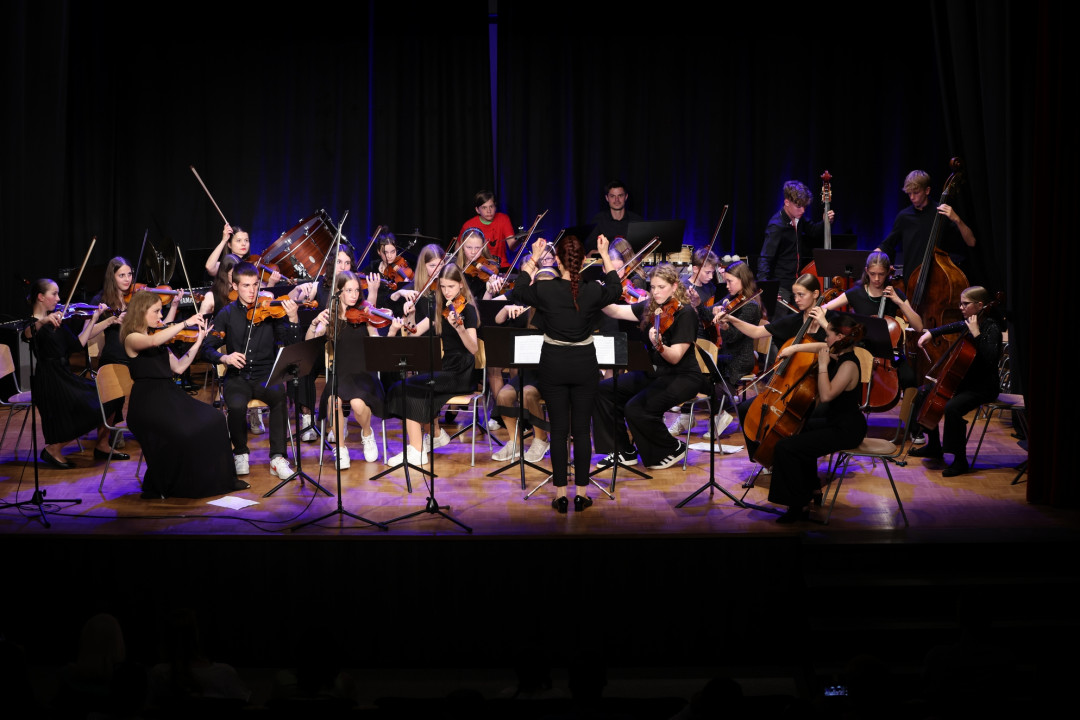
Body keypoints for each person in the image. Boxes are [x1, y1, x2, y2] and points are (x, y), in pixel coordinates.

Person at [511, 234, 621, 511]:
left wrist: (534, 258)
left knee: (559, 431)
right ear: (584, 260)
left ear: (557, 260)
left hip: (554, 364)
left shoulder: (546, 290)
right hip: (585, 364)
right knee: (582, 432)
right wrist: (606, 256)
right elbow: (615, 288)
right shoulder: (593, 290)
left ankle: (560, 494)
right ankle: (582, 495)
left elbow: (518, 289)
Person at [121, 290, 245, 498]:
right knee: (186, 432)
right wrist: (185, 323)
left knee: (214, 418)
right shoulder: (132, 338)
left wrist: (198, 341)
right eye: (157, 312)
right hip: (147, 404)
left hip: (168, 396)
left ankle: (219, 479)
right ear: (141, 312)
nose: (161, 316)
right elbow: (152, 343)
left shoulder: (155, 337)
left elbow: (179, 367)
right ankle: (185, 483)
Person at [594, 263, 703, 471]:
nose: (656, 292)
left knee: (635, 408)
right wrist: (597, 295)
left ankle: (672, 448)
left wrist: (658, 345)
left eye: (661, 287)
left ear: (674, 286)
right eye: (653, 287)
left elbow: (675, 357)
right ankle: (622, 451)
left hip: (683, 376)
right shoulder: (650, 308)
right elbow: (616, 310)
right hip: (655, 372)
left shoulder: (686, 313)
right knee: (605, 390)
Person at [201, 262, 300, 479]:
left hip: (266, 374)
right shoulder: (226, 314)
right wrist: (225, 357)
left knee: (279, 396)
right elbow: (207, 347)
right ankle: (240, 453)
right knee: (235, 405)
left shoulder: (270, 312)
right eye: (246, 286)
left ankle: (277, 457)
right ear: (235, 287)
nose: (252, 291)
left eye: (255, 285)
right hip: (238, 376)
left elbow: (290, 343)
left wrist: (293, 319)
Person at [767, 313, 867, 523]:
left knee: (786, 447)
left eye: (829, 335)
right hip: (836, 422)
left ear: (839, 337)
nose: (826, 340)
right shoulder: (839, 353)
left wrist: (822, 366)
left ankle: (798, 507)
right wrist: (795, 348)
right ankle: (812, 489)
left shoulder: (848, 365)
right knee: (801, 430)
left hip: (847, 429)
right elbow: (818, 347)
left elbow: (828, 395)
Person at [722, 274, 829, 464]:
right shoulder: (794, 320)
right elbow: (756, 332)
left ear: (815, 294)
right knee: (746, 408)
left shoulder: (832, 321)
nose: (796, 300)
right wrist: (731, 319)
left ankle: (788, 459)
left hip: (818, 387)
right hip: (789, 387)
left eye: (801, 295)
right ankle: (762, 458)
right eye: (794, 295)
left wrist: (804, 340)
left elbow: (833, 347)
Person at [385, 262, 479, 466]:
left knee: (408, 389)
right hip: (445, 367)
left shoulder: (468, 310)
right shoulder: (440, 310)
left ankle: (417, 450)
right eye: (443, 286)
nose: (446, 291)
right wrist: (409, 315)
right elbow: (414, 332)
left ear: (461, 285)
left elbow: (473, 349)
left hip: (461, 370)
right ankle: (431, 438)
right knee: (403, 387)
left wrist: (460, 329)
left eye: (451, 287)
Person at [23, 279, 125, 468]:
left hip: (64, 375)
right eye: (54, 294)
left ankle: (102, 445)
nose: (59, 298)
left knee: (112, 396)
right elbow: (27, 334)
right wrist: (44, 320)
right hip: (50, 380)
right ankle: (53, 449)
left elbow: (78, 344)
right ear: (41, 297)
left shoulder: (57, 320)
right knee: (90, 407)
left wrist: (98, 319)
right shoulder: (34, 323)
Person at [909, 286, 1003, 476]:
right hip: (965, 383)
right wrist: (931, 333)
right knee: (923, 393)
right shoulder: (969, 322)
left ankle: (960, 461)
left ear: (980, 305)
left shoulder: (992, 328)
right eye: (960, 303)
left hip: (983, 387)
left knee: (952, 408)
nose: (961, 307)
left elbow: (988, 361)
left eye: (965, 304)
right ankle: (933, 446)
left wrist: (976, 335)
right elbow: (952, 326)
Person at [670, 260, 763, 438]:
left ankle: (717, 414)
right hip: (726, 355)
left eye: (730, 281)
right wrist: (698, 304)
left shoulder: (751, 306)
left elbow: (735, 337)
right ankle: (689, 416)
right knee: (694, 370)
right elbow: (707, 315)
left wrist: (725, 326)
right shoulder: (730, 300)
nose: (726, 285)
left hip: (740, 359)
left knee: (705, 375)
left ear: (743, 280)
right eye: (726, 281)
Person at [305, 272, 386, 468]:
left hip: (364, 373)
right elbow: (310, 342)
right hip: (340, 374)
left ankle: (367, 433)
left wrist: (387, 330)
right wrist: (315, 323)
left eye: (357, 290)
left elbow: (376, 342)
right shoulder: (329, 317)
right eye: (349, 290)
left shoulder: (364, 314)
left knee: (358, 404)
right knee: (334, 401)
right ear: (338, 292)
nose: (354, 295)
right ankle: (340, 448)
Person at [878, 170, 976, 285]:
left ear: (927, 190)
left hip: (939, 281)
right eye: (909, 194)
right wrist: (871, 257)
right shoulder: (904, 216)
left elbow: (971, 242)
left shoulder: (941, 212)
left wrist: (957, 219)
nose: (912, 197)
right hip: (912, 282)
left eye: (916, 192)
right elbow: (888, 244)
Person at [757, 180, 835, 309]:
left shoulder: (798, 218)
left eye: (805, 206)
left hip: (796, 283)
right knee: (781, 324)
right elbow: (765, 258)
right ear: (787, 202)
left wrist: (825, 222)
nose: (803, 210)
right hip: (781, 286)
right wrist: (766, 288)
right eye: (799, 206)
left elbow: (813, 231)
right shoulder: (776, 226)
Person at [458, 190, 517, 269]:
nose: (489, 211)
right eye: (484, 207)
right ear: (477, 210)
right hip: (477, 268)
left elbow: (512, 246)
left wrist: (521, 239)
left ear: (495, 207)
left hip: (501, 266)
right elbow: (458, 249)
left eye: (491, 206)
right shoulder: (469, 225)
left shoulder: (503, 219)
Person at [585, 181, 643, 255]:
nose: (616, 200)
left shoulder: (636, 220)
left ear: (626, 197)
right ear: (607, 198)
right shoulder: (598, 220)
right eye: (612, 196)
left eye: (620, 196)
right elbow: (590, 251)